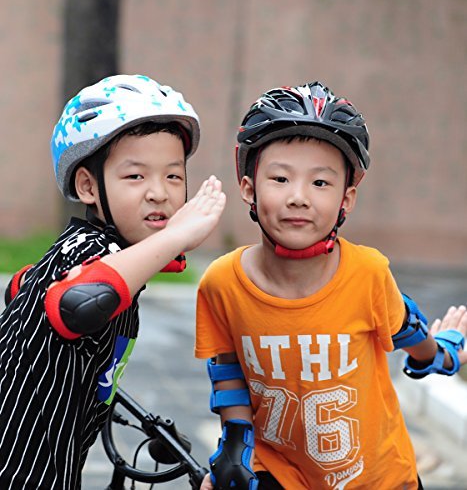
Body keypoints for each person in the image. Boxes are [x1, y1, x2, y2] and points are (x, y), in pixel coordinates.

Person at [195, 81, 467, 489]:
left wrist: (445, 355)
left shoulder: (369, 272)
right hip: (278, 473)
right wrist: (234, 448)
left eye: (320, 183)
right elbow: (228, 366)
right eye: (280, 178)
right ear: (248, 188)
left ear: (347, 199)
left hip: (378, 478)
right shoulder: (222, 283)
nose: (298, 197)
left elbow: (407, 329)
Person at [0, 74, 226, 489]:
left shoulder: (108, 257)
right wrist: (176, 236)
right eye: (136, 177)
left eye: (174, 177)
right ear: (89, 186)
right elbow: (77, 302)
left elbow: (20, 287)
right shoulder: (91, 250)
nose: (159, 193)